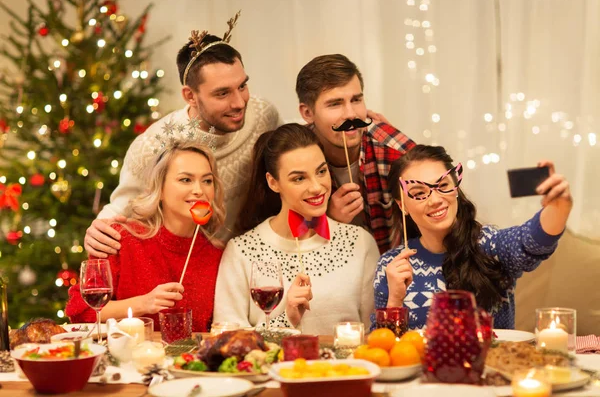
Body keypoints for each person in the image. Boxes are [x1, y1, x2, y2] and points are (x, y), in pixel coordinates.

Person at [84, 13, 282, 258]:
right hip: (186, 269)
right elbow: (121, 211)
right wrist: (97, 231)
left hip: (252, 261)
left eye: (242, 86)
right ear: (190, 96)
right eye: (222, 94)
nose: (239, 102)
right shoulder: (153, 146)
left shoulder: (263, 115)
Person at [373, 145, 572, 329]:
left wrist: (559, 206)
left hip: (492, 365)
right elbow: (383, 349)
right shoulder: (391, 265)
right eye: (419, 193)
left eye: (442, 185)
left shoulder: (490, 245)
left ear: (455, 188)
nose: (435, 200)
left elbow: (531, 241)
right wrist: (395, 301)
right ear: (402, 206)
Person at [215, 124, 378, 334]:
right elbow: (228, 339)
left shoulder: (360, 243)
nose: (317, 187)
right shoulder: (241, 251)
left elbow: (373, 335)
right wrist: (286, 319)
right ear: (273, 183)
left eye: (321, 171)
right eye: (299, 178)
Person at [66, 141, 225, 332]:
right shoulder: (120, 239)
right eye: (186, 180)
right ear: (160, 190)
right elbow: (79, 311)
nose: (200, 190)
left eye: (207, 181)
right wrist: (144, 303)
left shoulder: (217, 255)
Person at [296, 54, 416, 254]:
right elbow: (281, 236)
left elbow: (446, 207)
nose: (351, 114)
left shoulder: (394, 150)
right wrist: (328, 222)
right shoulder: (295, 157)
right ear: (307, 113)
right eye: (335, 104)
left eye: (356, 100)